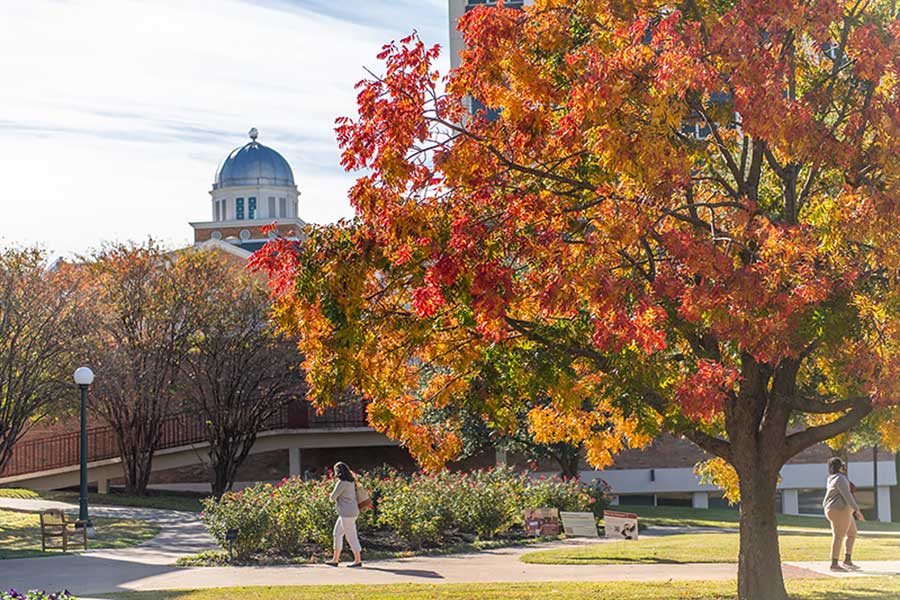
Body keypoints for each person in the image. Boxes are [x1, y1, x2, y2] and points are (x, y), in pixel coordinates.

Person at [823, 457, 865, 571]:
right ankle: (834, 564)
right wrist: (857, 510)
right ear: (840, 467)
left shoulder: (832, 478)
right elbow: (847, 495)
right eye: (843, 465)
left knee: (852, 533)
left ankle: (847, 560)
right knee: (839, 536)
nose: (845, 467)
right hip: (839, 510)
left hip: (837, 509)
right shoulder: (840, 478)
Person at [326, 461, 363, 567]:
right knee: (337, 533)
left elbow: (332, 497)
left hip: (346, 514)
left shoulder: (342, 483)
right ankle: (335, 559)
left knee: (351, 536)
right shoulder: (351, 482)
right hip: (350, 512)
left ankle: (357, 560)